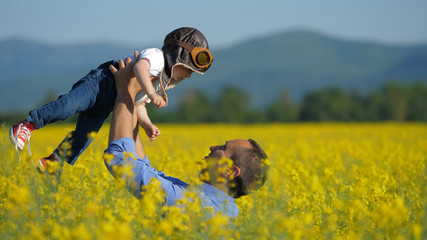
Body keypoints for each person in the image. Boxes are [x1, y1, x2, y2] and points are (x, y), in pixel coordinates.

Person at [8, 27, 213, 176]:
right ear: (178, 57)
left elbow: (137, 103)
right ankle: (27, 124)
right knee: (66, 107)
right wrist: (152, 93)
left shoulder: (162, 81)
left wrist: (148, 125)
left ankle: (52, 163)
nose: (188, 76)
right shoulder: (157, 57)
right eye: (188, 70)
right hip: (101, 83)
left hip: (109, 104)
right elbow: (141, 67)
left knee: (84, 138)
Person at [105, 54, 269, 217]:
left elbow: (120, 160)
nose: (213, 147)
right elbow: (144, 169)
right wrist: (134, 100)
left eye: (223, 148)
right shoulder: (217, 207)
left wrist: (125, 90)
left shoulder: (195, 205)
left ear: (230, 171)